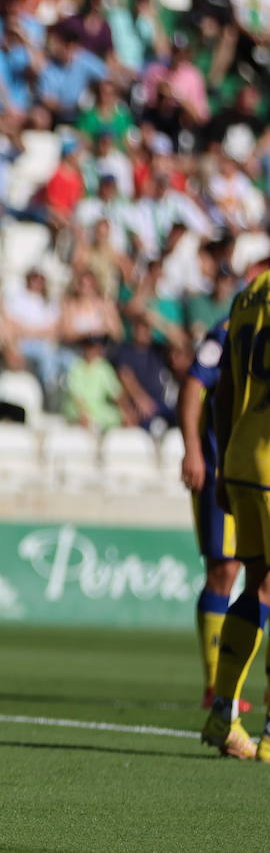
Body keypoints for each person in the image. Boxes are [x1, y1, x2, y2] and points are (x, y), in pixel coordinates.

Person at [203, 262, 270, 760]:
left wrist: (224, 465)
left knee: (258, 585)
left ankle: (222, 708)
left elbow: (223, 390)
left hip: (244, 456)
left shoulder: (247, 297)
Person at [178, 317, 245, 712]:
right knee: (224, 569)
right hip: (220, 465)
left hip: (256, 467)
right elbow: (192, 385)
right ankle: (214, 683)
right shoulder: (229, 328)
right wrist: (193, 450)